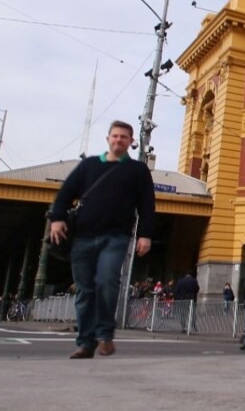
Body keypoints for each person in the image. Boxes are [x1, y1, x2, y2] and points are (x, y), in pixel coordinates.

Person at [49, 120, 156, 359]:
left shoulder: (138, 170)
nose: (119, 140)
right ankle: (86, 343)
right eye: (115, 136)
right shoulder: (88, 166)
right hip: (83, 237)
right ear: (108, 138)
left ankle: (105, 335)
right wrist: (57, 218)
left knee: (107, 282)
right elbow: (65, 193)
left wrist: (145, 235)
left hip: (116, 237)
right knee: (85, 290)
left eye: (124, 137)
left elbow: (147, 205)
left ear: (131, 142)